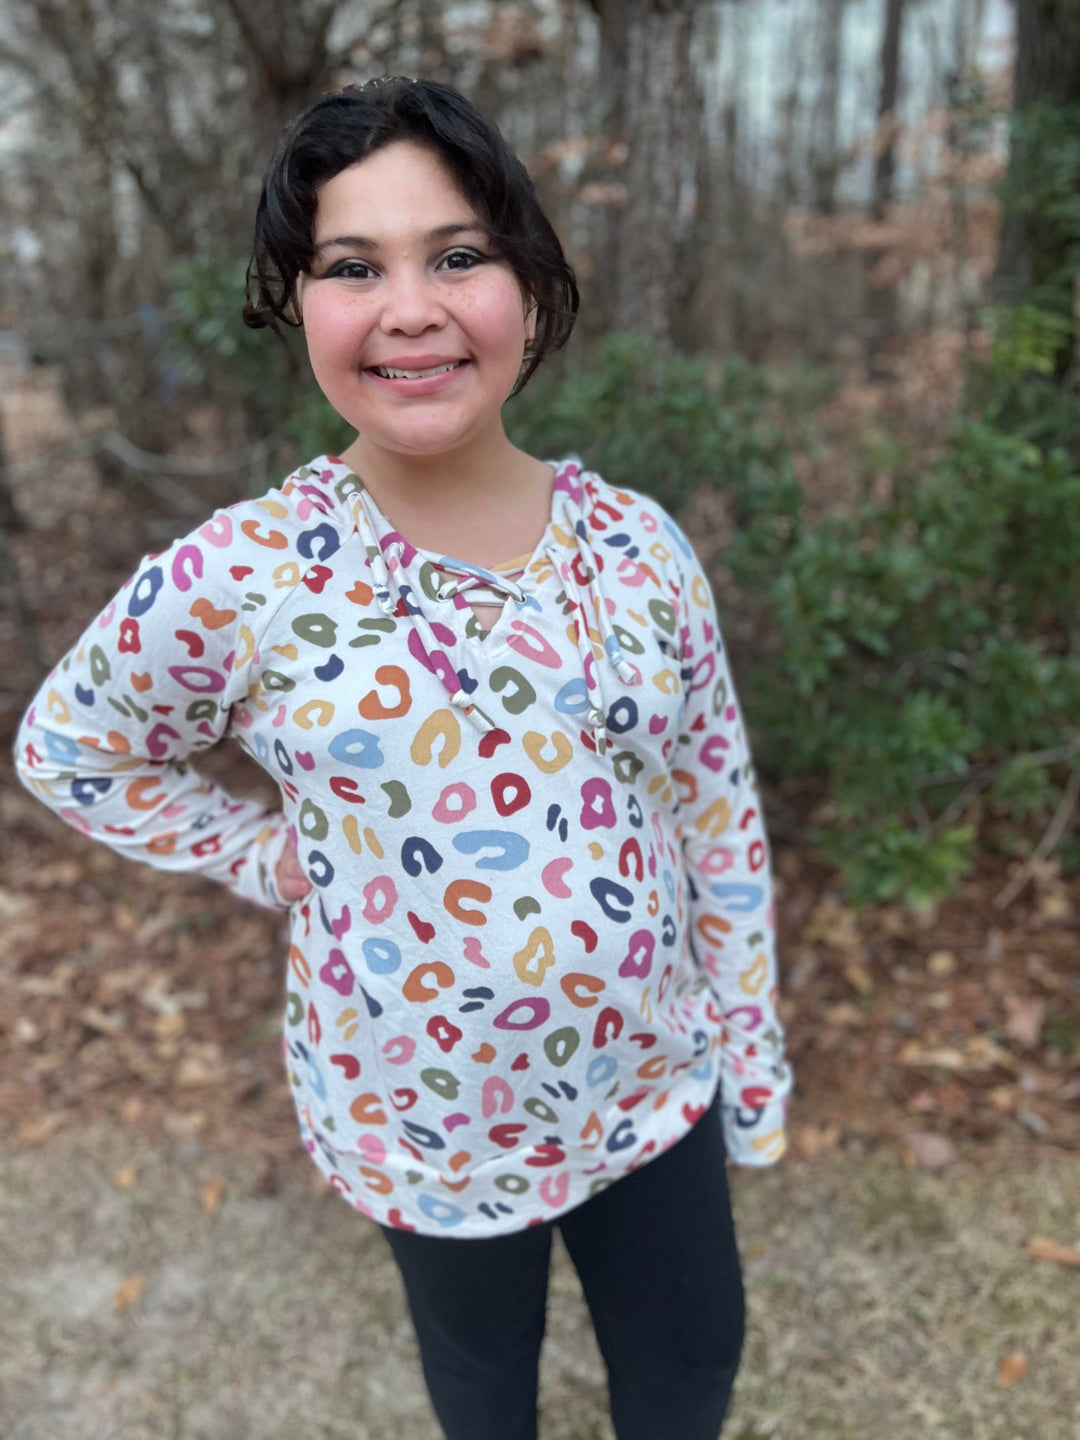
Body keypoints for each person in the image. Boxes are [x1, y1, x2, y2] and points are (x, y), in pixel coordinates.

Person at [15, 77, 792, 1440]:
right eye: (353, 267)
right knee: (483, 1396)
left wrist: (751, 1056)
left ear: (531, 287)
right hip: (421, 1123)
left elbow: (714, 810)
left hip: (654, 1088)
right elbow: (70, 749)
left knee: (687, 1371)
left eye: (458, 255)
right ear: (297, 305)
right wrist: (256, 850)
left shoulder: (637, 548)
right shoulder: (245, 576)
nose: (411, 308)